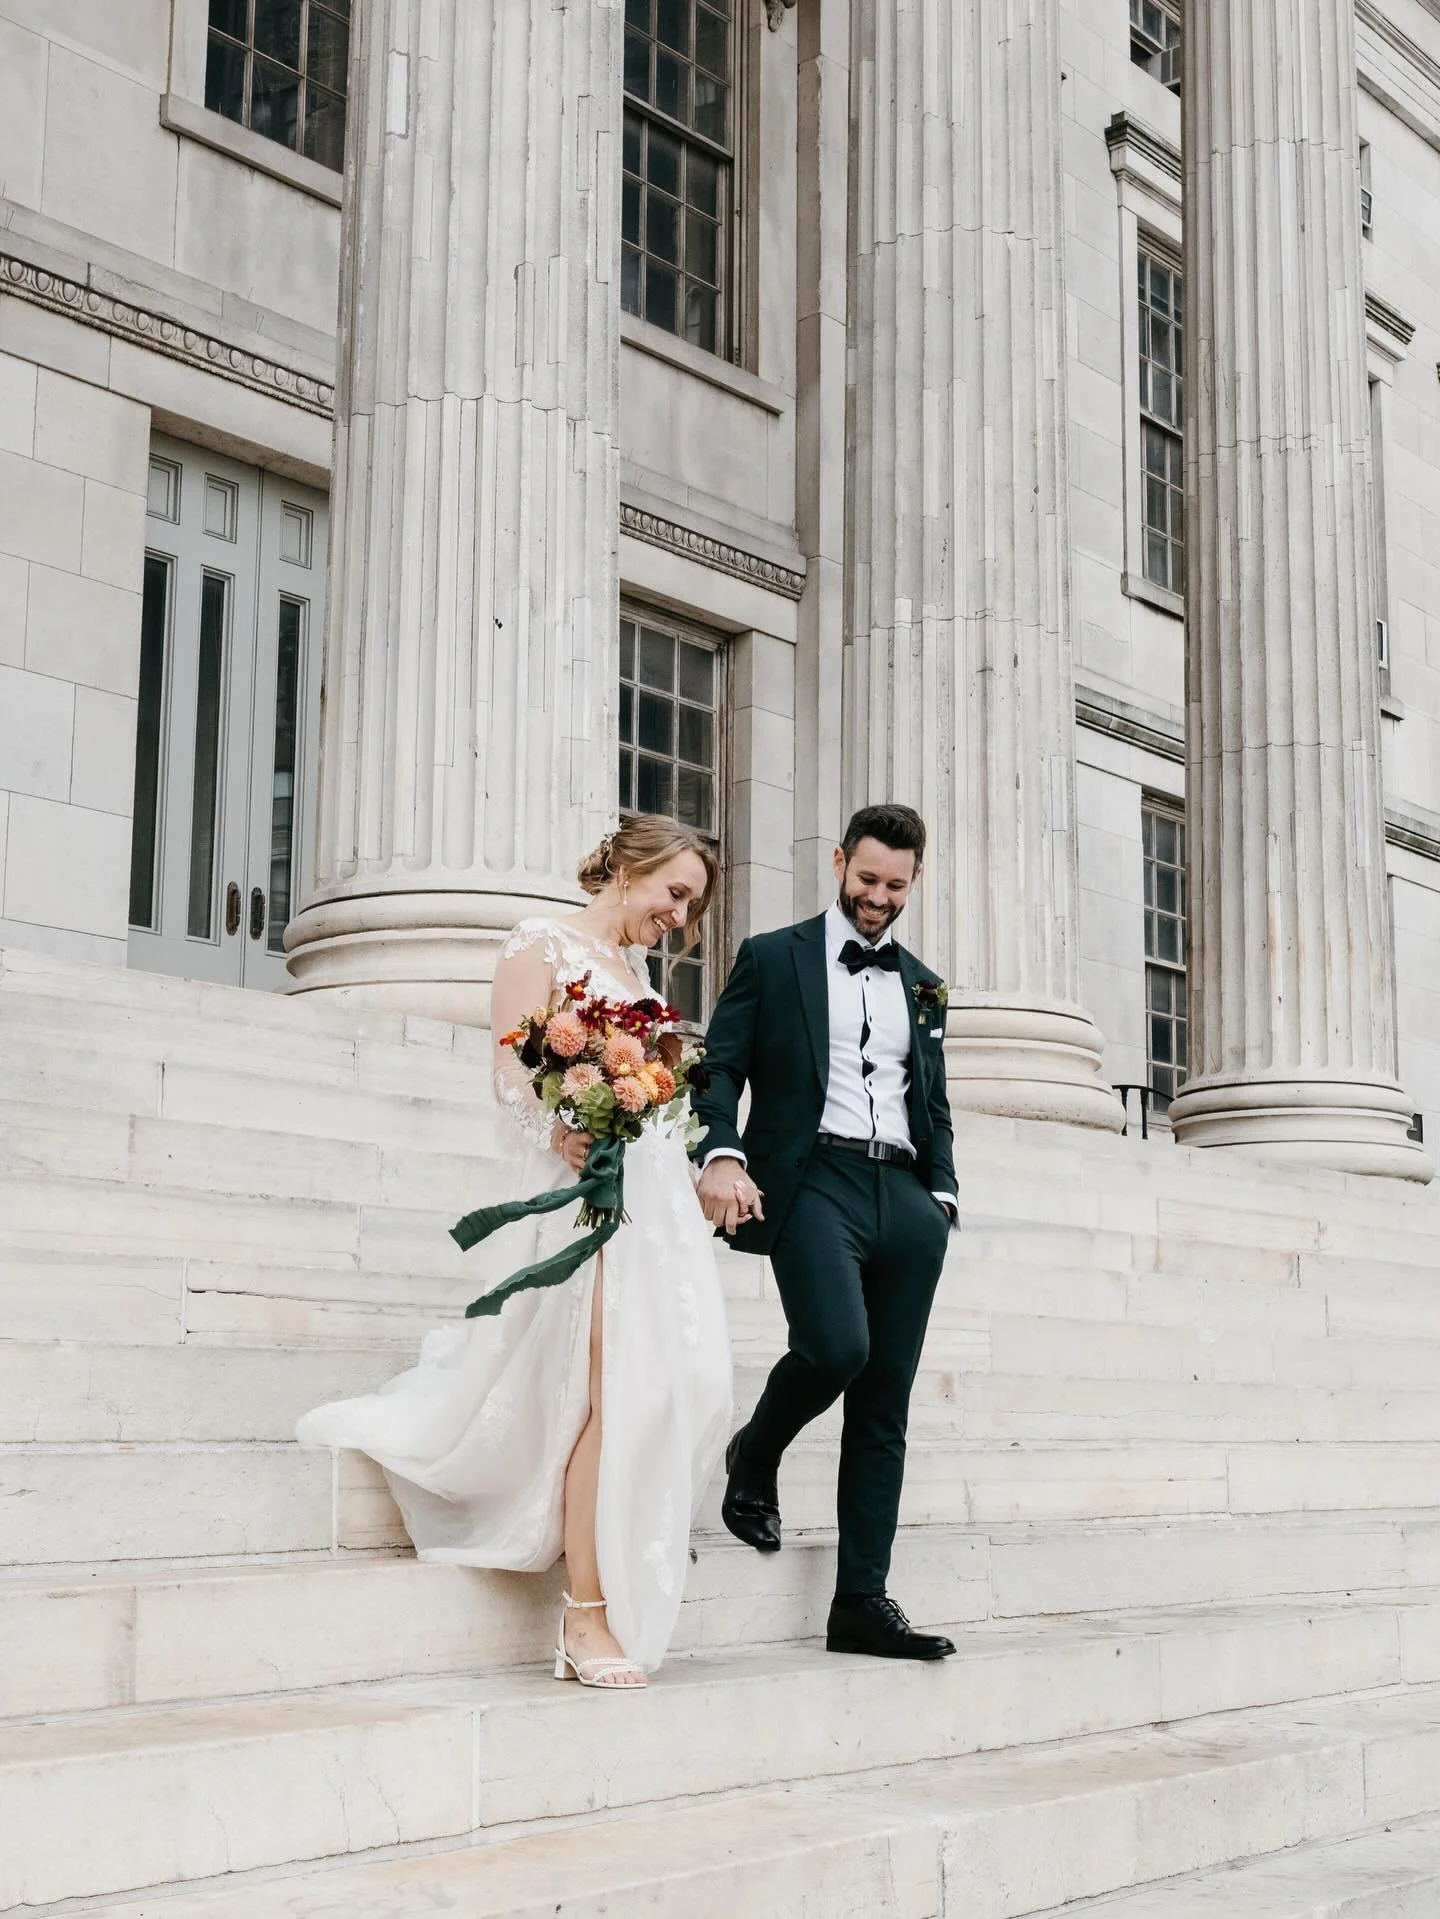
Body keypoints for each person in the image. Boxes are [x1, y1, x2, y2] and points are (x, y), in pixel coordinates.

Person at [296, 816, 733, 1691]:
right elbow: (509, 1076)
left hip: (654, 1203)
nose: (679, 918)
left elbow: (655, 1098)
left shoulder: (635, 974)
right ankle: (587, 1617)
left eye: (692, 905)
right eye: (675, 894)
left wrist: (686, 1158)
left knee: (682, 1382)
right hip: (586, 1198)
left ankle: (613, 1566)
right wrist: (567, 1125)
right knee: (612, 1389)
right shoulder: (540, 942)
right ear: (627, 866)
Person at [693, 803, 958, 1660]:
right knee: (836, 1345)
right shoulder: (775, 957)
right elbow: (720, 1062)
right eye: (867, 878)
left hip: (907, 1198)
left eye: (896, 885)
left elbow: (934, 1096)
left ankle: (861, 1600)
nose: (878, 897)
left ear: (915, 879)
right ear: (840, 860)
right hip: (813, 1180)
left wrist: (942, 1193)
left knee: (885, 1407)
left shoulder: (924, 983)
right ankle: (753, 1449)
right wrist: (724, 1151)